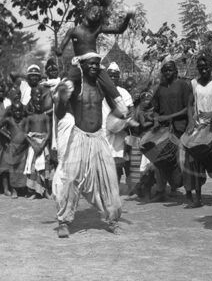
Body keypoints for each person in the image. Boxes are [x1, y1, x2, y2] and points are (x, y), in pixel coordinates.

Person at [52, 53, 127, 237]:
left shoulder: (102, 86)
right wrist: (60, 96)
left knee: (109, 180)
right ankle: (64, 221)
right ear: (82, 65)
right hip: (78, 137)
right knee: (69, 180)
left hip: (99, 138)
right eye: (90, 64)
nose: (94, 66)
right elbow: (60, 112)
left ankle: (112, 220)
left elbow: (117, 108)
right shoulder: (75, 86)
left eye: (97, 64)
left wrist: (123, 116)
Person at [56, 0, 135, 114]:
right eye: (94, 11)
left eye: (98, 14)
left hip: (95, 64)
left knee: (111, 88)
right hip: (80, 64)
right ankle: (62, 110)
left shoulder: (97, 29)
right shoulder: (73, 31)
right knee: (68, 86)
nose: (96, 14)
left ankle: (124, 113)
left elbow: (119, 30)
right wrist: (59, 50)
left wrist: (128, 18)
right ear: (86, 11)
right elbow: (60, 48)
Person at [149, 58, 192, 202]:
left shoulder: (183, 85)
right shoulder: (160, 88)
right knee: (160, 160)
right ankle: (161, 191)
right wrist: (156, 119)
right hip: (163, 130)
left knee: (182, 161)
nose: (168, 72)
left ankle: (187, 192)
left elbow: (188, 108)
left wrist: (170, 116)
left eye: (170, 69)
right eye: (165, 70)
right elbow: (155, 109)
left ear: (176, 71)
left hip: (180, 128)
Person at [183, 52, 212, 208]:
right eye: (200, 67)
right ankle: (197, 198)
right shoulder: (193, 83)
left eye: (206, 67)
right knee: (193, 159)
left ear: (211, 67)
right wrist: (191, 121)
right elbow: (190, 104)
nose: (203, 70)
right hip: (199, 125)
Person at [102, 61, 135, 192]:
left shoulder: (124, 93)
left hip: (121, 132)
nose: (113, 78)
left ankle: (131, 187)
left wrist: (125, 122)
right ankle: (111, 187)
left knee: (123, 158)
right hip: (104, 131)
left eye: (116, 75)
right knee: (107, 160)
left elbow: (132, 111)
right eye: (110, 75)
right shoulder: (100, 92)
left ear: (119, 76)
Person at [23, 89, 51, 199]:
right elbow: (25, 134)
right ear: (33, 104)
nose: (38, 105)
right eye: (36, 103)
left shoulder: (45, 117)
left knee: (45, 167)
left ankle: (46, 192)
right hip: (33, 145)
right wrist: (34, 145)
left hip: (43, 145)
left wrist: (42, 144)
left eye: (40, 103)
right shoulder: (29, 117)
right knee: (33, 167)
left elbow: (48, 133)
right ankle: (34, 191)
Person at [0, 101, 29, 199]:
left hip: (23, 148)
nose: (18, 113)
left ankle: (23, 189)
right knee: (13, 170)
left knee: (22, 170)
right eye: (15, 110)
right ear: (12, 111)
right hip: (13, 148)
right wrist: (7, 135)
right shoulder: (9, 120)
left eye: (20, 110)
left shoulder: (25, 120)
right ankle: (14, 190)